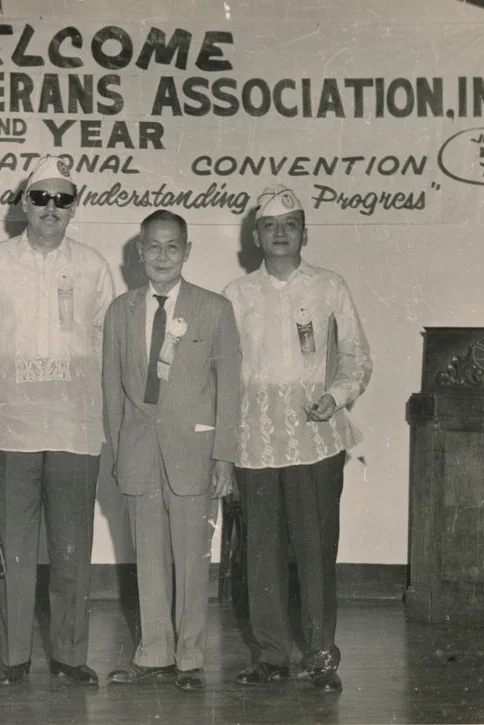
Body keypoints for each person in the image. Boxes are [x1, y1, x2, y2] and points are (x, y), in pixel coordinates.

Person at [0, 155, 115, 686]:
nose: (51, 208)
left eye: (62, 199)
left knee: (73, 547)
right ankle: (14, 657)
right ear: (25, 202)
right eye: (41, 198)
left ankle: (70, 655)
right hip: (11, 427)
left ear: (76, 205)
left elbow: (106, 346)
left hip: (75, 426)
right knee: (16, 549)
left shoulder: (94, 266)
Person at [223, 184, 372, 693]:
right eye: (270, 225)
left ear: (304, 233)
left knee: (315, 548)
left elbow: (355, 356)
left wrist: (336, 395)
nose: (280, 233)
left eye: (290, 225)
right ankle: (270, 655)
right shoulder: (236, 294)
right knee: (260, 551)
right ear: (256, 236)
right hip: (255, 437)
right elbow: (225, 369)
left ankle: (320, 655)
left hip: (315, 436)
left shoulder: (330, 286)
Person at [102, 210, 241, 692]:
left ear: (187, 251)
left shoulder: (215, 308)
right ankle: (154, 651)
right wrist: (118, 453)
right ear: (138, 252)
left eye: (172, 247)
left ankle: (189, 658)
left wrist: (224, 456)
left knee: (191, 557)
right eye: (153, 247)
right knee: (148, 559)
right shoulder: (120, 311)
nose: (162, 256)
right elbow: (111, 391)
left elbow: (230, 389)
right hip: (139, 452)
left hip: (193, 453)